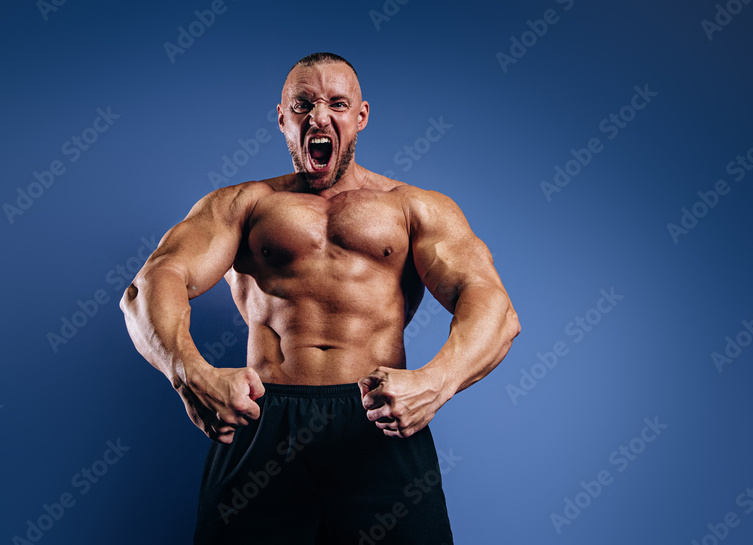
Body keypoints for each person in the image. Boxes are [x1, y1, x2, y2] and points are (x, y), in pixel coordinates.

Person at [120, 52, 520, 544]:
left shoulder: (413, 207)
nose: (319, 115)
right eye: (303, 103)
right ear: (284, 118)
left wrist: (437, 382)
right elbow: (152, 283)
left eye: (337, 102)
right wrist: (189, 373)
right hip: (264, 419)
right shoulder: (244, 205)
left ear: (361, 116)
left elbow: (492, 305)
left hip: (378, 422)